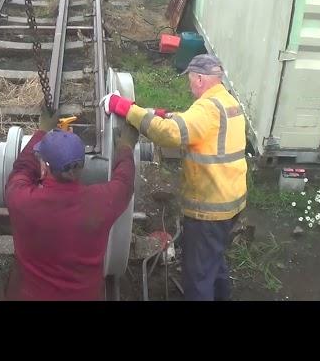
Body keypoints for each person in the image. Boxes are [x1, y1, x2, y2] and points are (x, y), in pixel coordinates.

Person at [101, 54, 247, 301]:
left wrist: (124, 107)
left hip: (209, 210)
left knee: (198, 274)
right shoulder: (226, 102)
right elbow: (194, 125)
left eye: (190, 79)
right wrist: (163, 113)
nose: (189, 85)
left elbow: (170, 135)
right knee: (214, 261)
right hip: (231, 202)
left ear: (200, 78)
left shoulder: (207, 107)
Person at [4, 105, 139, 300]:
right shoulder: (101, 203)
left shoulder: (21, 200)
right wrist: (126, 147)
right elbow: (125, 183)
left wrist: (42, 131)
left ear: (44, 165)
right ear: (82, 167)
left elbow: (22, 168)